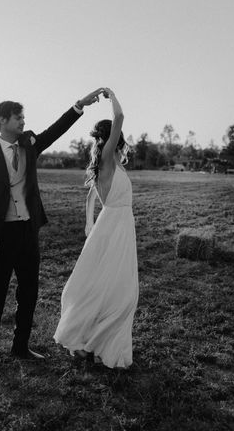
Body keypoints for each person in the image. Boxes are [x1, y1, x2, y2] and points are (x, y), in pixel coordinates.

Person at [0, 89, 105, 363]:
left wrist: (80, 105)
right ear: (2, 120)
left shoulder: (29, 143)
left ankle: (20, 347)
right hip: (0, 233)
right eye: (18, 118)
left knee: (29, 291)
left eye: (23, 117)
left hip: (27, 231)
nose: (22, 122)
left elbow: (56, 130)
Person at [54, 88, 139, 369]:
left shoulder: (109, 164)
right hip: (115, 227)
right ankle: (90, 341)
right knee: (117, 290)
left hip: (116, 227)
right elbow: (120, 116)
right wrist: (111, 94)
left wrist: (89, 222)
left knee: (114, 288)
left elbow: (92, 195)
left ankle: (98, 342)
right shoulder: (105, 161)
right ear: (115, 139)